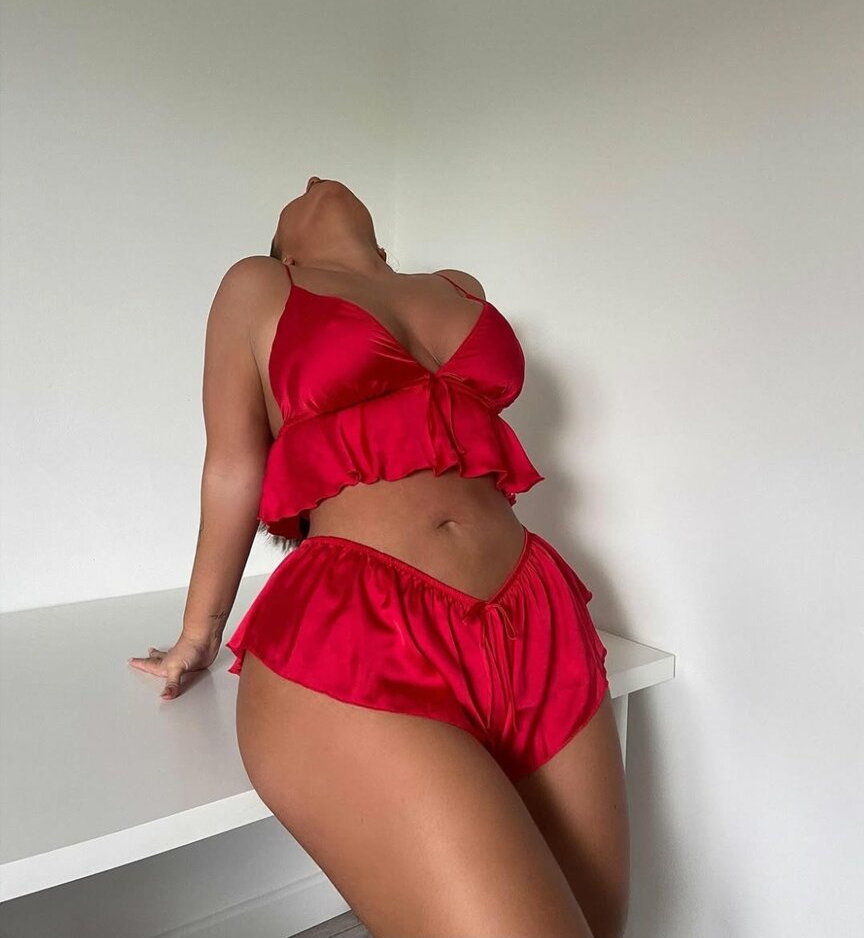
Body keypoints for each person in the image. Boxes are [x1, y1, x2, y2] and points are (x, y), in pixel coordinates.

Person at [129, 177, 630, 938]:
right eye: (292, 200)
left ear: (386, 247)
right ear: (286, 251)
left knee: (601, 927)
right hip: (362, 637)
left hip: (540, 619)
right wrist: (197, 635)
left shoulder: (458, 287)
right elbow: (233, 467)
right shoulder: (259, 285)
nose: (312, 181)